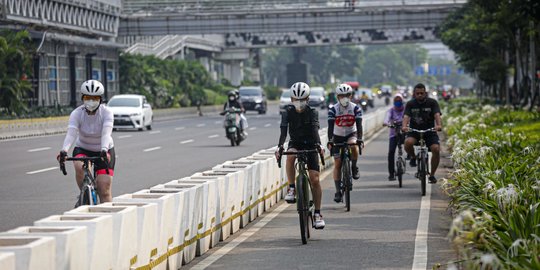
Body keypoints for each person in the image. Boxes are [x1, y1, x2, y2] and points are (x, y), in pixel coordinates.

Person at [275, 82, 325, 229]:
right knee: (290, 155)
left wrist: (319, 145)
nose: (299, 102)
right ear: (291, 99)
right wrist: (280, 146)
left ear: (308, 99)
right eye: (296, 99)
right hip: (295, 143)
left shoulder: (312, 112)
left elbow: (315, 129)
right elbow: (284, 132)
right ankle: (291, 188)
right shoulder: (287, 112)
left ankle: (317, 213)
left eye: (302, 99)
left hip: (311, 145)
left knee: (315, 179)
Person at [57, 79, 115, 203]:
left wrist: (104, 150)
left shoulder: (107, 113)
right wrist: (64, 150)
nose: (91, 101)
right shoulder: (77, 113)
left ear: (101, 99)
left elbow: (106, 133)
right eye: (88, 97)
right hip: (83, 147)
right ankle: (84, 193)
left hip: (104, 150)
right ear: (83, 98)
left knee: (104, 190)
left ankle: (109, 216)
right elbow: (71, 133)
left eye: (95, 98)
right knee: (79, 166)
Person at [327, 83, 364, 203]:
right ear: (337, 97)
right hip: (337, 136)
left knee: (354, 147)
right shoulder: (333, 109)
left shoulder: (355, 108)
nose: (344, 98)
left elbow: (359, 125)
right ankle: (338, 192)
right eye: (341, 96)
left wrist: (360, 139)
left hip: (351, 134)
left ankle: (353, 167)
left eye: (347, 95)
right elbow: (330, 127)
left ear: (351, 96)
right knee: (337, 164)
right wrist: (330, 141)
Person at [401, 83, 442, 184]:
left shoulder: (432, 102)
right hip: (414, 131)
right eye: (417, 93)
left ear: (425, 93)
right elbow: (406, 116)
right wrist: (404, 126)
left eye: (421, 93)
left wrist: (438, 125)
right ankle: (414, 157)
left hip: (430, 131)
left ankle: (432, 175)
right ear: (414, 94)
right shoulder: (410, 104)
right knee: (408, 143)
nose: (420, 95)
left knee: (436, 149)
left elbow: (437, 114)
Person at [383, 93, 405, 181]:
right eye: (396, 101)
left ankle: (413, 160)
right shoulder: (391, 110)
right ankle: (391, 174)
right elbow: (387, 118)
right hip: (394, 134)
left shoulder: (406, 110)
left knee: (410, 144)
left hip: (404, 133)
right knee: (391, 152)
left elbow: (409, 118)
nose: (398, 102)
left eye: (399, 100)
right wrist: (386, 123)